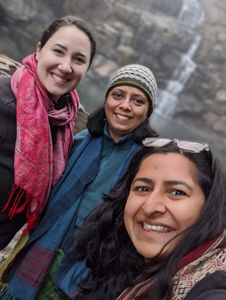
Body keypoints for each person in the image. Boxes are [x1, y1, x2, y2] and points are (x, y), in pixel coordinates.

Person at [0, 64, 159, 299]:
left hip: (95, 267)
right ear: (107, 99)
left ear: (147, 111)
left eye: (138, 101)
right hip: (47, 249)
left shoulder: (149, 160)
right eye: (118, 95)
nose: (125, 106)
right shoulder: (79, 141)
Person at [73, 138, 226, 299]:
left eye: (176, 192)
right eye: (143, 188)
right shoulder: (129, 263)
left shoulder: (220, 292)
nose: (150, 207)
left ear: (208, 206)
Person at [0, 15, 96, 249]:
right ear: (39, 49)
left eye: (79, 59)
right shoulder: (2, 99)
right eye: (59, 51)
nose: (65, 66)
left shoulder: (65, 125)